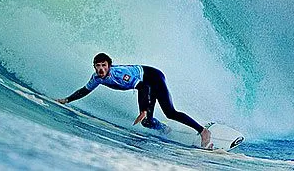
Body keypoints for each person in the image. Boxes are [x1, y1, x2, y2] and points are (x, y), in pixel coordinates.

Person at [56, 52, 212, 148]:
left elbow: (143, 87)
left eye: (104, 65)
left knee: (170, 112)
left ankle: (203, 131)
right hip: (144, 85)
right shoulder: (97, 78)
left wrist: (143, 110)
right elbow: (85, 90)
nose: (101, 69)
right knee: (147, 122)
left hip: (153, 78)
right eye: (98, 66)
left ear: (110, 66)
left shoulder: (119, 75)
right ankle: (165, 130)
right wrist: (67, 100)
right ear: (94, 67)